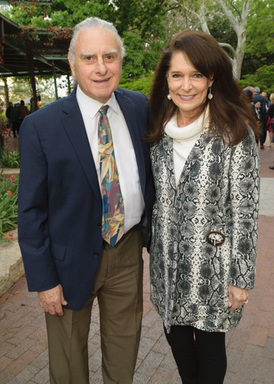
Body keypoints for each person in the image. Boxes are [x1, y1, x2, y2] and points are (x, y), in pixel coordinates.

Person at [18, 17, 154, 384]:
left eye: (110, 56)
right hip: (66, 260)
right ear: (72, 61)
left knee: (124, 351)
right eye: (89, 57)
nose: (101, 67)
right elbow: (30, 212)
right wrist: (43, 279)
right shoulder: (40, 126)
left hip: (126, 251)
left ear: (120, 61)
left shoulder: (141, 108)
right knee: (68, 362)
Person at [146, 30, 260, 384]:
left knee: (210, 356)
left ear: (212, 78)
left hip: (213, 272)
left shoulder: (234, 132)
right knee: (180, 352)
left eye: (196, 75)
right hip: (167, 269)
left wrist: (241, 279)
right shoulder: (156, 133)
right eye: (177, 74)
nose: (186, 85)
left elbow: (245, 212)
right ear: (166, 78)